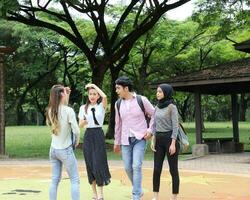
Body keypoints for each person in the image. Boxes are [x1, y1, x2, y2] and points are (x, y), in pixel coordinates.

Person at [113, 76, 155, 200]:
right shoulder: (118, 103)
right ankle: (138, 189)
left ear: (126, 88)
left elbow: (154, 114)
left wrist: (150, 130)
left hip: (140, 138)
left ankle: (136, 195)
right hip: (125, 139)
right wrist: (117, 142)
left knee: (136, 166)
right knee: (127, 167)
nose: (116, 91)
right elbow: (118, 124)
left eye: (118, 88)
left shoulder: (142, 100)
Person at [46, 84, 80, 200]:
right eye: (64, 92)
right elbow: (76, 130)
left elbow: (62, 108)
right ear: (61, 94)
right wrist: (77, 140)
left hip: (53, 150)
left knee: (54, 180)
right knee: (75, 179)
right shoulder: (68, 110)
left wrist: (67, 94)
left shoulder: (50, 110)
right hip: (65, 150)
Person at [78, 83, 111, 200]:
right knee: (90, 164)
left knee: (98, 163)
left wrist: (93, 85)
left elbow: (105, 96)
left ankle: (101, 194)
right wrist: (84, 122)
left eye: (94, 94)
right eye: (90, 94)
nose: (92, 96)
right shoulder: (83, 108)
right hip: (88, 136)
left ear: (98, 96)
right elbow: (80, 125)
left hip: (98, 134)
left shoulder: (101, 106)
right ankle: (94, 194)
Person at [151, 84, 180, 200]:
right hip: (158, 140)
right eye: (157, 92)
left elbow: (175, 126)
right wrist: (153, 139)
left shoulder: (172, 107)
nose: (158, 94)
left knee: (173, 170)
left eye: (160, 92)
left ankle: (174, 197)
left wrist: (173, 143)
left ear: (166, 93)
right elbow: (154, 125)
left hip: (170, 140)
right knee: (157, 169)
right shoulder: (157, 107)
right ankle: (155, 196)